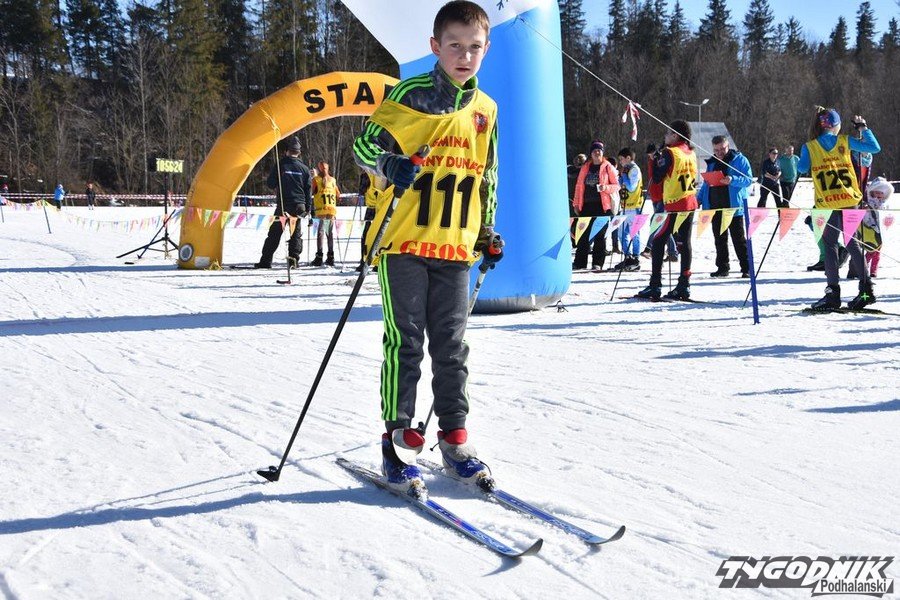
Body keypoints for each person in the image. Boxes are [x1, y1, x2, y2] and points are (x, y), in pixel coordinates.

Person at [352, 0, 502, 488]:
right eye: (454, 45)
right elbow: (363, 146)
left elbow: (487, 177)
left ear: (486, 49)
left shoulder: (486, 110)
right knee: (407, 341)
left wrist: (486, 230)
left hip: (455, 247)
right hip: (404, 242)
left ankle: (454, 438)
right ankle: (397, 439)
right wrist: (389, 164)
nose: (464, 56)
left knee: (452, 347)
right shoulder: (411, 94)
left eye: (474, 47)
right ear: (435, 46)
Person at [797, 107, 880, 309]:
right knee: (853, 243)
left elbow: (801, 168)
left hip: (827, 204)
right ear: (836, 125)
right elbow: (873, 147)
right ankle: (867, 290)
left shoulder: (810, 146)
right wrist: (863, 128)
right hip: (849, 200)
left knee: (830, 246)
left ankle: (833, 293)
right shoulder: (844, 140)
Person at [637, 120, 699, 300]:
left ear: (675, 135)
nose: (665, 136)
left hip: (674, 205)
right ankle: (684, 284)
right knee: (684, 243)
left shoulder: (670, 152)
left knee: (658, 242)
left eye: (667, 133)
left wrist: (653, 160)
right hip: (689, 202)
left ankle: (655, 285)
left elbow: (657, 178)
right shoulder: (691, 152)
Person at [698, 135, 752, 278]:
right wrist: (698, 199)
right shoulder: (712, 162)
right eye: (716, 150)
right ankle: (722, 268)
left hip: (733, 208)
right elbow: (706, 184)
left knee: (739, 240)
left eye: (722, 149)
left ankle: (747, 268)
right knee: (720, 240)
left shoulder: (740, 160)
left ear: (728, 146)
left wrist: (732, 179)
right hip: (715, 207)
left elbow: (748, 180)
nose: (719, 152)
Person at [254, 136, 311, 269]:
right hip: (300, 205)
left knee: (274, 233)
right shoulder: (304, 169)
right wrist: (308, 208)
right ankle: (293, 262)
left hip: (284, 204)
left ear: (287, 151)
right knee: (295, 234)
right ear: (299, 152)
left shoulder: (281, 165)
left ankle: (266, 261)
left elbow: (270, 184)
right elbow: (308, 190)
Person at [572, 140, 620, 271]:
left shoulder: (608, 166)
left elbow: (617, 186)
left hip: (602, 206)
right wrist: (576, 203)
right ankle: (579, 262)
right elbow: (579, 187)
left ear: (602, 152)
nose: (597, 153)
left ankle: (597, 263)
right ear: (591, 153)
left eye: (599, 150)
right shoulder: (585, 167)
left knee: (600, 235)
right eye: (594, 151)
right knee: (582, 234)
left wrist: (605, 187)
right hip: (586, 205)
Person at [641, 143, 678, 263]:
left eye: (652, 154)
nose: (651, 156)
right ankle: (672, 252)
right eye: (649, 155)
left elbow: (661, 176)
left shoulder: (661, 160)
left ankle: (649, 248)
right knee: (662, 225)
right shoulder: (651, 162)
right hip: (655, 197)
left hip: (662, 197)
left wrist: (658, 159)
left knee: (656, 222)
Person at [613, 147, 643, 271]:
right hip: (625, 206)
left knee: (634, 233)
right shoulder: (626, 169)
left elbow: (631, 187)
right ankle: (627, 256)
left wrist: (624, 177)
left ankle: (635, 258)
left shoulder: (634, 169)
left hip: (634, 206)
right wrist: (619, 179)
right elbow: (622, 186)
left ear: (628, 158)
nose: (620, 162)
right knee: (621, 233)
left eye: (621, 159)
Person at [859, 177, 892, 278]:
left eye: (881, 193)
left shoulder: (884, 203)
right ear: (872, 191)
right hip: (869, 229)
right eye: (877, 192)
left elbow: (887, 214)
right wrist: (865, 208)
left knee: (877, 252)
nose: (879, 195)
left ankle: (873, 271)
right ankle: (862, 267)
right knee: (871, 250)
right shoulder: (867, 201)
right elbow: (865, 215)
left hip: (881, 230)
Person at [310, 161, 340, 267]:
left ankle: (319, 256)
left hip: (321, 209)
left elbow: (312, 192)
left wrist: (314, 177)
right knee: (329, 233)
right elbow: (338, 195)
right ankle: (331, 256)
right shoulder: (333, 180)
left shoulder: (316, 180)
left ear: (319, 169)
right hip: (331, 209)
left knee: (320, 233)